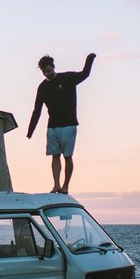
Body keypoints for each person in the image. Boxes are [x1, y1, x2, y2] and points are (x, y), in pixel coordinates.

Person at [26, 52, 96, 194]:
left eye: (49, 70)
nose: (47, 74)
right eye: (44, 72)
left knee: (67, 156)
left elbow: (84, 74)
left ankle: (65, 186)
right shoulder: (42, 87)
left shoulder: (67, 78)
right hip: (52, 126)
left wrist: (89, 60)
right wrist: (30, 130)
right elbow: (37, 109)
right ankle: (56, 185)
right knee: (55, 156)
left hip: (69, 124)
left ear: (53, 67)